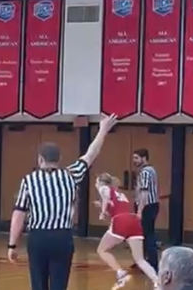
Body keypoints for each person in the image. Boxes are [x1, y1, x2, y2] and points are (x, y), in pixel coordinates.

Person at [8, 113, 118, 290]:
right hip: (62, 237)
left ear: (40, 159)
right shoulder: (70, 175)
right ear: (59, 160)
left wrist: (12, 244)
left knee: (38, 284)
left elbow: (19, 214)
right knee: (60, 285)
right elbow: (91, 154)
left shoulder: (29, 180)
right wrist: (103, 130)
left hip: (38, 237)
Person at [93, 172, 158, 288]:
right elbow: (116, 209)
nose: (95, 185)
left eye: (96, 182)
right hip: (133, 221)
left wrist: (102, 212)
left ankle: (120, 272)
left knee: (101, 250)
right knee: (140, 259)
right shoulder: (121, 194)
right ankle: (157, 281)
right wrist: (104, 208)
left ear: (100, 182)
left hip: (121, 221)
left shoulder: (104, 188)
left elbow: (106, 198)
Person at [133, 148, 160, 269]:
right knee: (147, 233)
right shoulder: (152, 170)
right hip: (152, 205)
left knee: (146, 234)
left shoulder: (145, 172)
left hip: (146, 206)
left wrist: (139, 210)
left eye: (136, 158)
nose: (134, 161)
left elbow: (144, 191)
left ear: (144, 158)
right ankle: (145, 261)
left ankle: (150, 262)